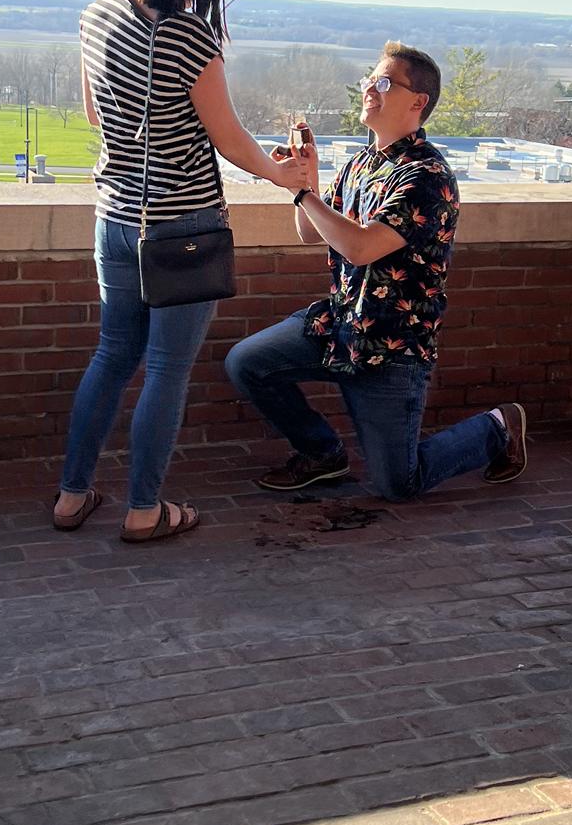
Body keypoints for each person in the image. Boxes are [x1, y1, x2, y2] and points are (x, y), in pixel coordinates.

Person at [52, 0, 307, 542]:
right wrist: (282, 174)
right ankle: (145, 507)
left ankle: (71, 494)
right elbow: (227, 138)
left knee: (112, 355)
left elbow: (94, 116)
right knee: (165, 368)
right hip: (183, 226)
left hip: (115, 214)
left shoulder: (97, 15)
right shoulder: (189, 34)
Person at [226, 42, 527, 501]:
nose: (369, 87)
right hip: (340, 325)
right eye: (371, 78)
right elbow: (313, 234)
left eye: (384, 82)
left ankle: (498, 429)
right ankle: (322, 454)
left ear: (417, 101)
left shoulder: (427, 175)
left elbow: (362, 247)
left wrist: (301, 194)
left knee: (397, 485)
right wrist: (307, 181)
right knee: (247, 363)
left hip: (392, 344)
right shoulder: (362, 164)